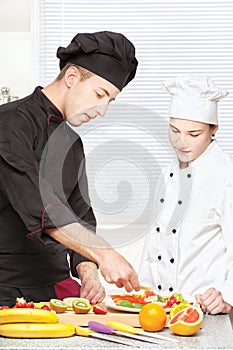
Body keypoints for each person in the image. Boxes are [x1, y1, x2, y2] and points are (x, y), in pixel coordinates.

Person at [0, 31, 140, 307]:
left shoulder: (72, 143)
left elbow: (82, 214)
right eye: (100, 94)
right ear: (72, 77)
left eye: (110, 101)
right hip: (5, 287)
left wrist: (88, 272)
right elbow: (38, 206)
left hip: (55, 287)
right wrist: (105, 254)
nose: (102, 110)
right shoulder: (9, 124)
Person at [139, 75, 233, 315]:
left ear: (213, 130)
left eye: (194, 134)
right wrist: (143, 292)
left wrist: (227, 298)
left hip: (203, 309)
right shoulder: (166, 173)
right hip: (158, 308)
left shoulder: (225, 176)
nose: (181, 142)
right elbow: (154, 244)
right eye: (174, 130)